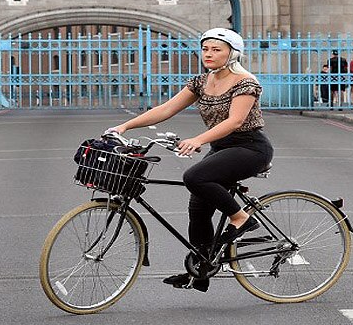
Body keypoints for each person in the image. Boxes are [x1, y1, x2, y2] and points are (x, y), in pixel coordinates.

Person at [108, 28, 272, 293]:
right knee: (198, 210)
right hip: (222, 148)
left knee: (194, 177)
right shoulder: (201, 81)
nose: (208, 54)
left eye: (216, 49)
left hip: (250, 148)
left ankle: (242, 218)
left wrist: (198, 140)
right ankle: (200, 271)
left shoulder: (245, 82)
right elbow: (167, 109)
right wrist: (124, 127)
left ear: (233, 53)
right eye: (205, 49)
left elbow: (236, 121)